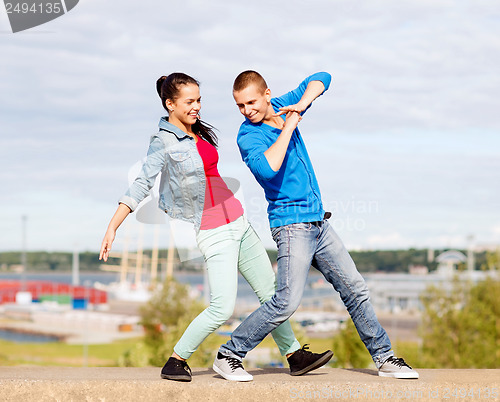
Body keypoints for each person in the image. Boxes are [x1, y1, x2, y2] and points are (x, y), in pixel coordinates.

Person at [99, 72, 332, 382]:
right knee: (222, 308)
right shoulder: (163, 140)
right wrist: (114, 225)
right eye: (189, 102)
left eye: (199, 100)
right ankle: (176, 360)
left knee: (270, 294)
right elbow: (142, 182)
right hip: (213, 229)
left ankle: (294, 356)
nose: (197, 107)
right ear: (170, 104)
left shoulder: (198, 133)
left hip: (238, 222)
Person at [212, 71, 419, 380]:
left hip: (319, 224)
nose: (247, 111)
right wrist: (292, 123)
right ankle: (229, 354)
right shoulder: (247, 136)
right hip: (291, 226)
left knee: (356, 289)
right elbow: (269, 169)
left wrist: (302, 104)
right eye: (240, 106)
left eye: (251, 102)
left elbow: (323, 77)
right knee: (286, 301)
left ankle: (385, 358)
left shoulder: (284, 104)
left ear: (267, 94)